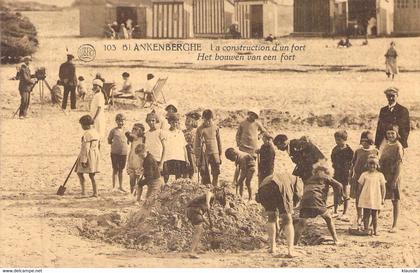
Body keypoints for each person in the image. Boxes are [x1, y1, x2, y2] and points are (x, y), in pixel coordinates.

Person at [294, 161, 343, 245]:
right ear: (327, 171)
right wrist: (340, 197)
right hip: (316, 200)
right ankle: (336, 240)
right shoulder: (325, 176)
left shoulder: (310, 179)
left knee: (301, 223)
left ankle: (294, 243)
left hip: (305, 201)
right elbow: (339, 185)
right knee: (328, 219)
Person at [257, 172, 303, 257]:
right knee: (288, 219)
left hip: (264, 187)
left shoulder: (287, 177)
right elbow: (298, 195)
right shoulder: (298, 180)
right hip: (279, 186)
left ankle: (272, 247)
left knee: (271, 217)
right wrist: (290, 209)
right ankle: (290, 251)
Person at [186, 187, 226, 259]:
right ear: (217, 191)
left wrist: (210, 226)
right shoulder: (211, 196)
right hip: (194, 211)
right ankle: (191, 252)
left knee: (200, 230)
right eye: (221, 194)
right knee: (198, 231)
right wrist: (208, 203)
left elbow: (203, 217)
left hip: (194, 212)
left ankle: (196, 248)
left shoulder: (210, 201)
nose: (220, 196)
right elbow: (208, 193)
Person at [349, 130, 379, 227]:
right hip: (358, 178)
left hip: (370, 179)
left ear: (371, 141)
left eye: (366, 141)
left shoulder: (375, 151)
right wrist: (350, 175)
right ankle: (359, 215)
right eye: (362, 141)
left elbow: (378, 165)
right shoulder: (358, 151)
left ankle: (370, 218)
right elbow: (352, 164)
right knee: (358, 197)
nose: (363, 143)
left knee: (369, 197)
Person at [379, 125, 404, 233]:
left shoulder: (398, 146)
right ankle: (372, 222)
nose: (390, 135)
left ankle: (395, 225)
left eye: (392, 133)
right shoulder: (385, 144)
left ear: (396, 134)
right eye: (388, 133)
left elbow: (399, 165)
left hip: (394, 175)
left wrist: (394, 180)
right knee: (380, 198)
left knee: (395, 201)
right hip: (384, 175)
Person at [358, 155, 386, 236]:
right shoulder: (364, 175)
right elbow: (359, 187)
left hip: (376, 197)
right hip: (366, 197)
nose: (372, 166)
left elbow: (383, 188)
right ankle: (366, 229)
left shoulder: (380, 175)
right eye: (370, 164)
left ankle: (375, 230)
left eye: (374, 164)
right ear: (367, 165)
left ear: (377, 165)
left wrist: (383, 198)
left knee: (375, 215)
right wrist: (359, 196)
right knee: (366, 214)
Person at [194, 109, 223, 186]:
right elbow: (197, 144)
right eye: (205, 120)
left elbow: (219, 142)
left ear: (212, 119)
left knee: (216, 173)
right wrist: (197, 157)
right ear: (203, 119)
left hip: (214, 153)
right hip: (204, 155)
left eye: (209, 120)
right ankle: (206, 191)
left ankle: (214, 189)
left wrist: (220, 155)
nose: (207, 122)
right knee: (204, 174)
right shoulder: (200, 129)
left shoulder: (216, 128)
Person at [331, 130, 354, 220]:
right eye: (336, 140)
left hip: (345, 173)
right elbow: (332, 160)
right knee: (336, 191)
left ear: (345, 140)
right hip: (336, 172)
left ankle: (345, 212)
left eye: (339, 140)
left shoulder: (349, 151)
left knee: (345, 192)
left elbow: (352, 164)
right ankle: (335, 211)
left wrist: (350, 174)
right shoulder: (335, 149)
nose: (337, 142)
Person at [75, 115, 100, 197]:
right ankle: (95, 192)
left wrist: (83, 160)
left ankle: (83, 192)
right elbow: (99, 145)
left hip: (88, 156)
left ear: (87, 125)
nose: (81, 127)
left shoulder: (87, 134)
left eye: (82, 125)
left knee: (79, 173)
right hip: (95, 155)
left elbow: (86, 148)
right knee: (92, 175)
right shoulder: (95, 132)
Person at [163, 113, 189, 183]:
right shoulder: (165, 133)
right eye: (173, 122)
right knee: (166, 177)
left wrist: (186, 159)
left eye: (176, 122)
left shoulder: (180, 133)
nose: (174, 124)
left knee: (179, 178)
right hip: (169, 157)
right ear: (169, 122)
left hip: (179, 158)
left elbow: (184, 147)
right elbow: (163, 146)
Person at [108, 113, 129, 192]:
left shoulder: (127, 131)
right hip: (115, 153)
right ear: (116, 121)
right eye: (119, 121)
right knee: (115, 169)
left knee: (121, 170)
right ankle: (114, 186)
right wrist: (115, 145)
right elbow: (109, 140)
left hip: (124, 153)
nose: (121, 123)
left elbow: (129, 140)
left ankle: (120, 186)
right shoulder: (113, 131)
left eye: (122, 121)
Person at [126, 123, 145, 195]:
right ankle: (132, 194)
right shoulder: (133, 139)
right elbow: (126, 133)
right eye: (133, 129)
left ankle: (138, 196)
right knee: (131, 180)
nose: (133, 130)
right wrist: (132, 135)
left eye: (136, 129)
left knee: (139, 181)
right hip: (131, 161)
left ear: (140, 130)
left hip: (139, 162)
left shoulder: (143, 139)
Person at [183, 111, 201, 179]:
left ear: (193, 122)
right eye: (186, 119)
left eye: (189, 120)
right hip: (183, 153)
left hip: (191, 154)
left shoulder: (196, 132)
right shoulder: (183, 132)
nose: (187, 122)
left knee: (191, 171)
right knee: (183, 172)